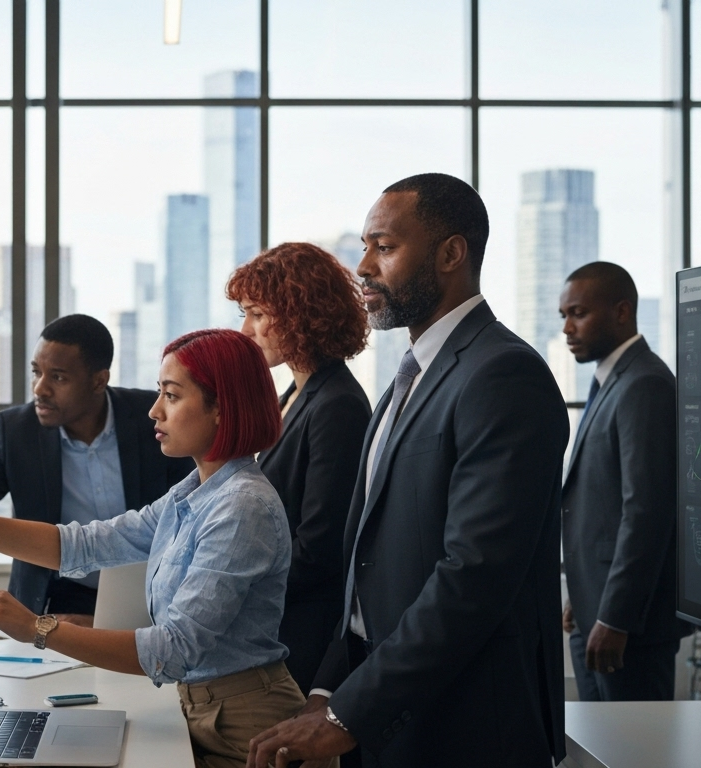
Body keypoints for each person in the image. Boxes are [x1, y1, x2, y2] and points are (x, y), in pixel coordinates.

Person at [0, 329, 302, 768]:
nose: (154, 411)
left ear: (221, 408)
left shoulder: (242, 506)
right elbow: (78, 544)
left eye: (171, 395)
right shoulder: (194, 492)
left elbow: (174, 650)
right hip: (198, 710)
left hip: (245, 731)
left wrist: (36, 627)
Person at [248, 173, 570, 768]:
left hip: (469, 727)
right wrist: (328, 691)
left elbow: (472, 577)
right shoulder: (408, 377)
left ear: (451, 253)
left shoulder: (502, 375)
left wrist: (349, 712)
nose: (363, 267)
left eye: (384, 247)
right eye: (365, 247)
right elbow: (365, 567)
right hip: (390, 715)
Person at [0, 314, 191, 623]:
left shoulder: (153, 418)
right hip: (56, 600)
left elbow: (193, 508)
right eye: (36, 373)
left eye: (57, 377)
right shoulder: (17, 430)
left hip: (150, 597)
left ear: (99, 380)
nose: (40, 389)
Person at [226, 242, 372, 695]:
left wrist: (233, 589)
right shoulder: (293, 395)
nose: (246, 329)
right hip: (275, 622)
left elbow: (320, 547)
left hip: (302, 634)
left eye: (256, 314)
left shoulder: (337, 404)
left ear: (297, 313)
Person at [558, 261, 691, 702]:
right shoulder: (611, 381)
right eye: (563, 316)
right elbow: (602, 506)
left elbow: (647, 513)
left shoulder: (645, 384)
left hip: (628, 626)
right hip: (596, 613)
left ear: (621, 312)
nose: (568, 328)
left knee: (637, 752)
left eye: (578, 313)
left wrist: (616, 617)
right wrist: (583, 594)